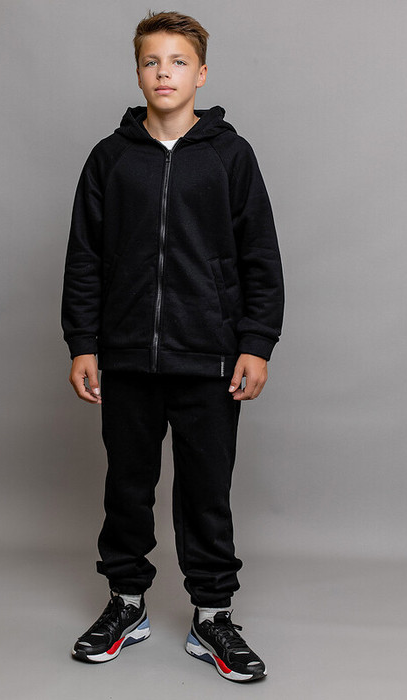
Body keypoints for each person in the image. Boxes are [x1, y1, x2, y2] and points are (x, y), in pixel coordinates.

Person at [61, 10, 284, 683]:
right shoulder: (110, 158)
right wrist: (83, 343)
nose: (165, 73)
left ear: (201, 74)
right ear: (138, 73)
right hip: (127, 356)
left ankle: (212, 616)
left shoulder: (230, 157)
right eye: (152, 61)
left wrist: (255, 343)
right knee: (126, 487)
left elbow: (259, 257)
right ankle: (125, 605)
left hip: (210, 358)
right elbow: (84, 259)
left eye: (178, 61)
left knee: (206, 493)